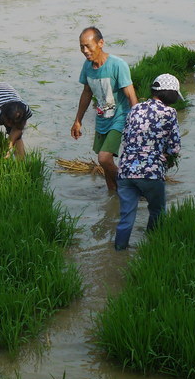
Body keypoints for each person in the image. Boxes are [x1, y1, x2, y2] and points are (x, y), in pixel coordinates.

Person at [114, 74, 182, 251]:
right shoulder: (169, 113)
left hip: (126, 171)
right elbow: (175, 147)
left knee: (126, 217)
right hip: (150, 173)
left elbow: (126, 137)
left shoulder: (135, 109)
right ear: (171, 94)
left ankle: (119, 251)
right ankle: (153, 247)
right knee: (157, 211)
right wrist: (166, 154)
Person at [71, 26, 138, 192]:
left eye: (88, 46)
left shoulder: (117, 65)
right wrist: (77, 120)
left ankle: (133, 187)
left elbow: (130, 95)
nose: (85, 51)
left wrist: (138, 122)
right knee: (107, 169)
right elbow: (86, 93)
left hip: (119, 117)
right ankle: (113, 201)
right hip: (102, 119)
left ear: (100, 43)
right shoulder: (87, 67)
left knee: (104, 158)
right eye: (81, 47)